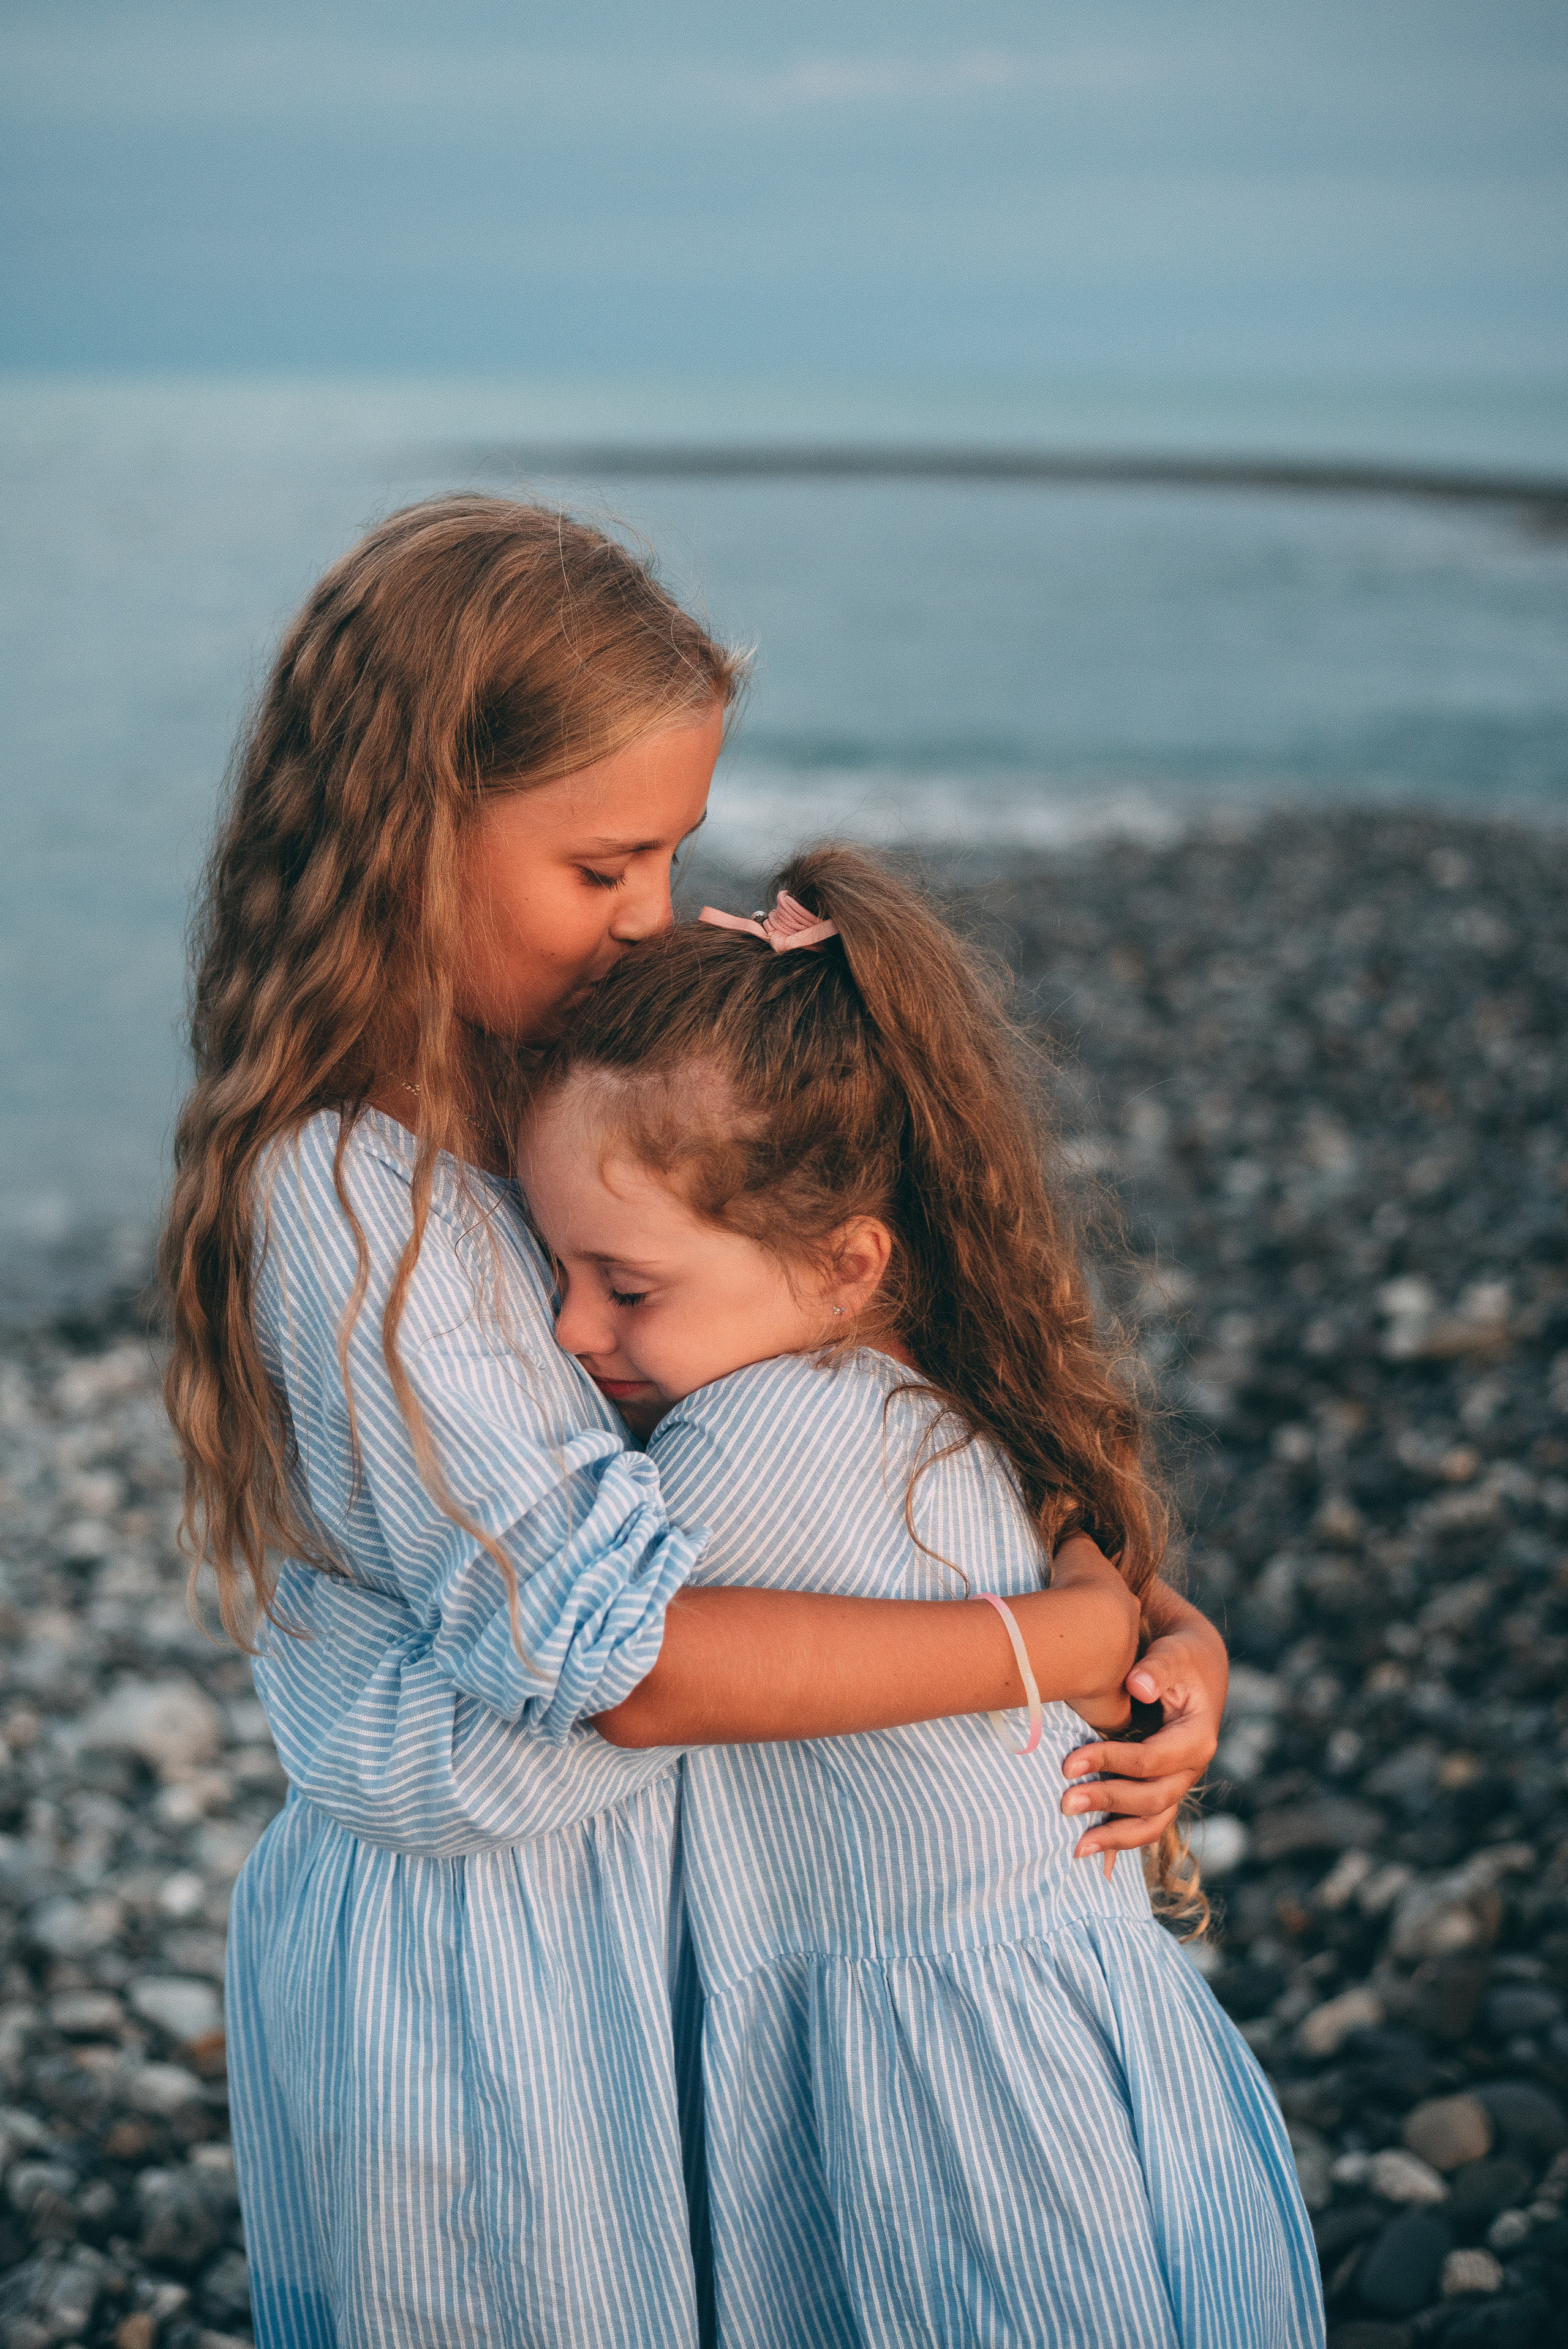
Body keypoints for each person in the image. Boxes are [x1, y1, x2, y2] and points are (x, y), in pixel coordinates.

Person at [159, 494, 1231, 2348]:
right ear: (404, 833)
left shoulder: (584, 1111)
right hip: (477, 1980)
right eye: (601, 866)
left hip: (668, 1928)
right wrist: (1043, 1641)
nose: (648, 918)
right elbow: (629, 1655)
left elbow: (906, 1386)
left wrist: (1134, 1604)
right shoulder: (354, 1196)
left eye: (670, 857)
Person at [520, 847, 1324, 2349]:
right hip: (1084, 2034)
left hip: (957, 2115)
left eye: (622, 1287)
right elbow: (1113, 1578)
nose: (571, 1330)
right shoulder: (923, 1385)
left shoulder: (754, 1436)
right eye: (551, 1269)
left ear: (841, 1267)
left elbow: (613, 1665)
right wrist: (1172, 1634)